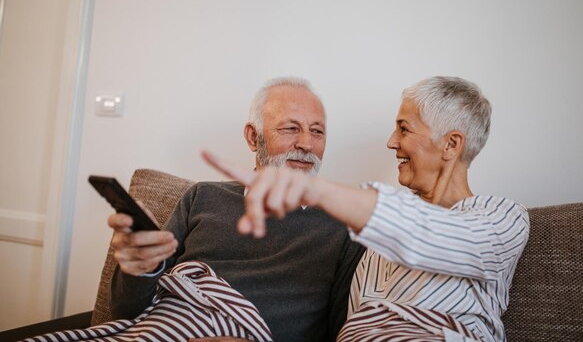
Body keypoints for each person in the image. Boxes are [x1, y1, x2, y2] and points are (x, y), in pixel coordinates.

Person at [202, 76, 530, 342]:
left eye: (404, 129)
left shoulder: (501, 216)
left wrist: (312, 188)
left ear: (451, 144)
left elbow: (437, 237)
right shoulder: (368, 241)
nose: (391, 142)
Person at [108, 77, 364, 342]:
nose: (307, 144)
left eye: (317, 131)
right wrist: (138, 267)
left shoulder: (343, 225)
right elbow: (124, 312)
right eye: (291, 128)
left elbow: (342, 335)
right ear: (254, 138)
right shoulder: (203, 196)